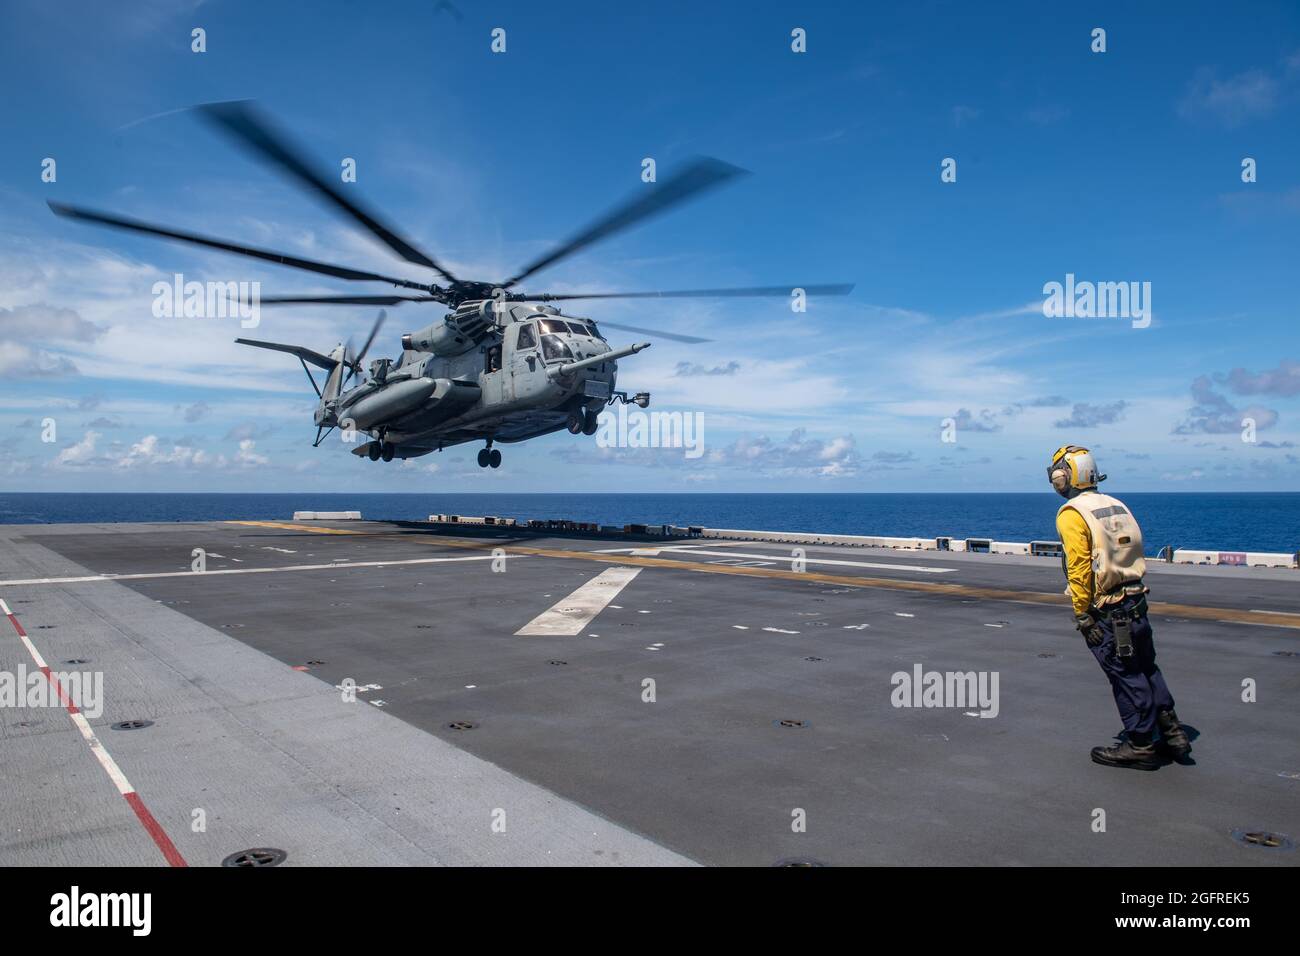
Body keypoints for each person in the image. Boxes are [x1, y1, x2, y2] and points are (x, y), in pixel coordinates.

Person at [1048, 445, 1191, 769]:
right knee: (1148, 668)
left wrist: (1082, 613)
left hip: (1109, 612)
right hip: (1137, 602)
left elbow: (1080, 568)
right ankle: (1173, 734)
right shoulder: (1115, 504)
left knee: (1125, 675)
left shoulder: (1073, 512)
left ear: (1064, 477)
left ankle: (1141, 745)